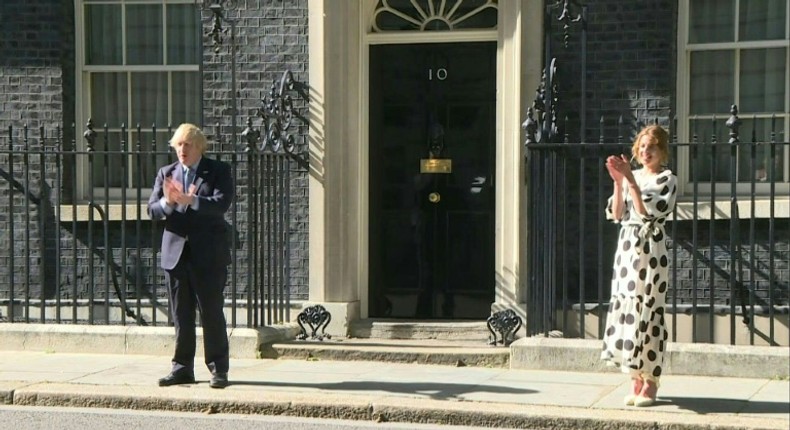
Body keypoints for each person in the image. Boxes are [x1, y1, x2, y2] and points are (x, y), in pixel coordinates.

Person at [148, 123, 234, 389]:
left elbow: (222, 202)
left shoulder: (217, 171)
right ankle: (182, 368)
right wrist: (169, 203)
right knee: (181, 314)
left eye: (187, 145)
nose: (182, 150)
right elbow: (152, 210)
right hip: (175, 254)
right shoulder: (166, 173)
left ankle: (218, 369)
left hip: (208, 253)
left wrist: (192, 201)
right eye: (178, 145)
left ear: (199, 147)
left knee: (211, 312)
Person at [601, 125, 677, 407]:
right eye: (642, 146)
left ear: (662, 151)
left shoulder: (667, 179)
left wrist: (630, 180)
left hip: (650, 250)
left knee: (649, 310)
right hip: (628, 247)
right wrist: (616, 181)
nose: (646, 152)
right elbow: (618, 213)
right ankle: (635, 377)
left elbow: (647, 215)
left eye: (652, 147)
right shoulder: (634, 176)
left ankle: (651, 381)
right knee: (629, 308)